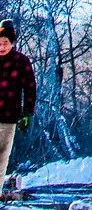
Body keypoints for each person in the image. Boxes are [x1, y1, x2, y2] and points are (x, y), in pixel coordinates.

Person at [0, 21, 35, 189]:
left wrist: (27, 112)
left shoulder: (21, 61)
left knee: (2, 158)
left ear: (12, 42)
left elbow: (30, 87)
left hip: (9, 117)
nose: (1, 46)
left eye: (5, 42)